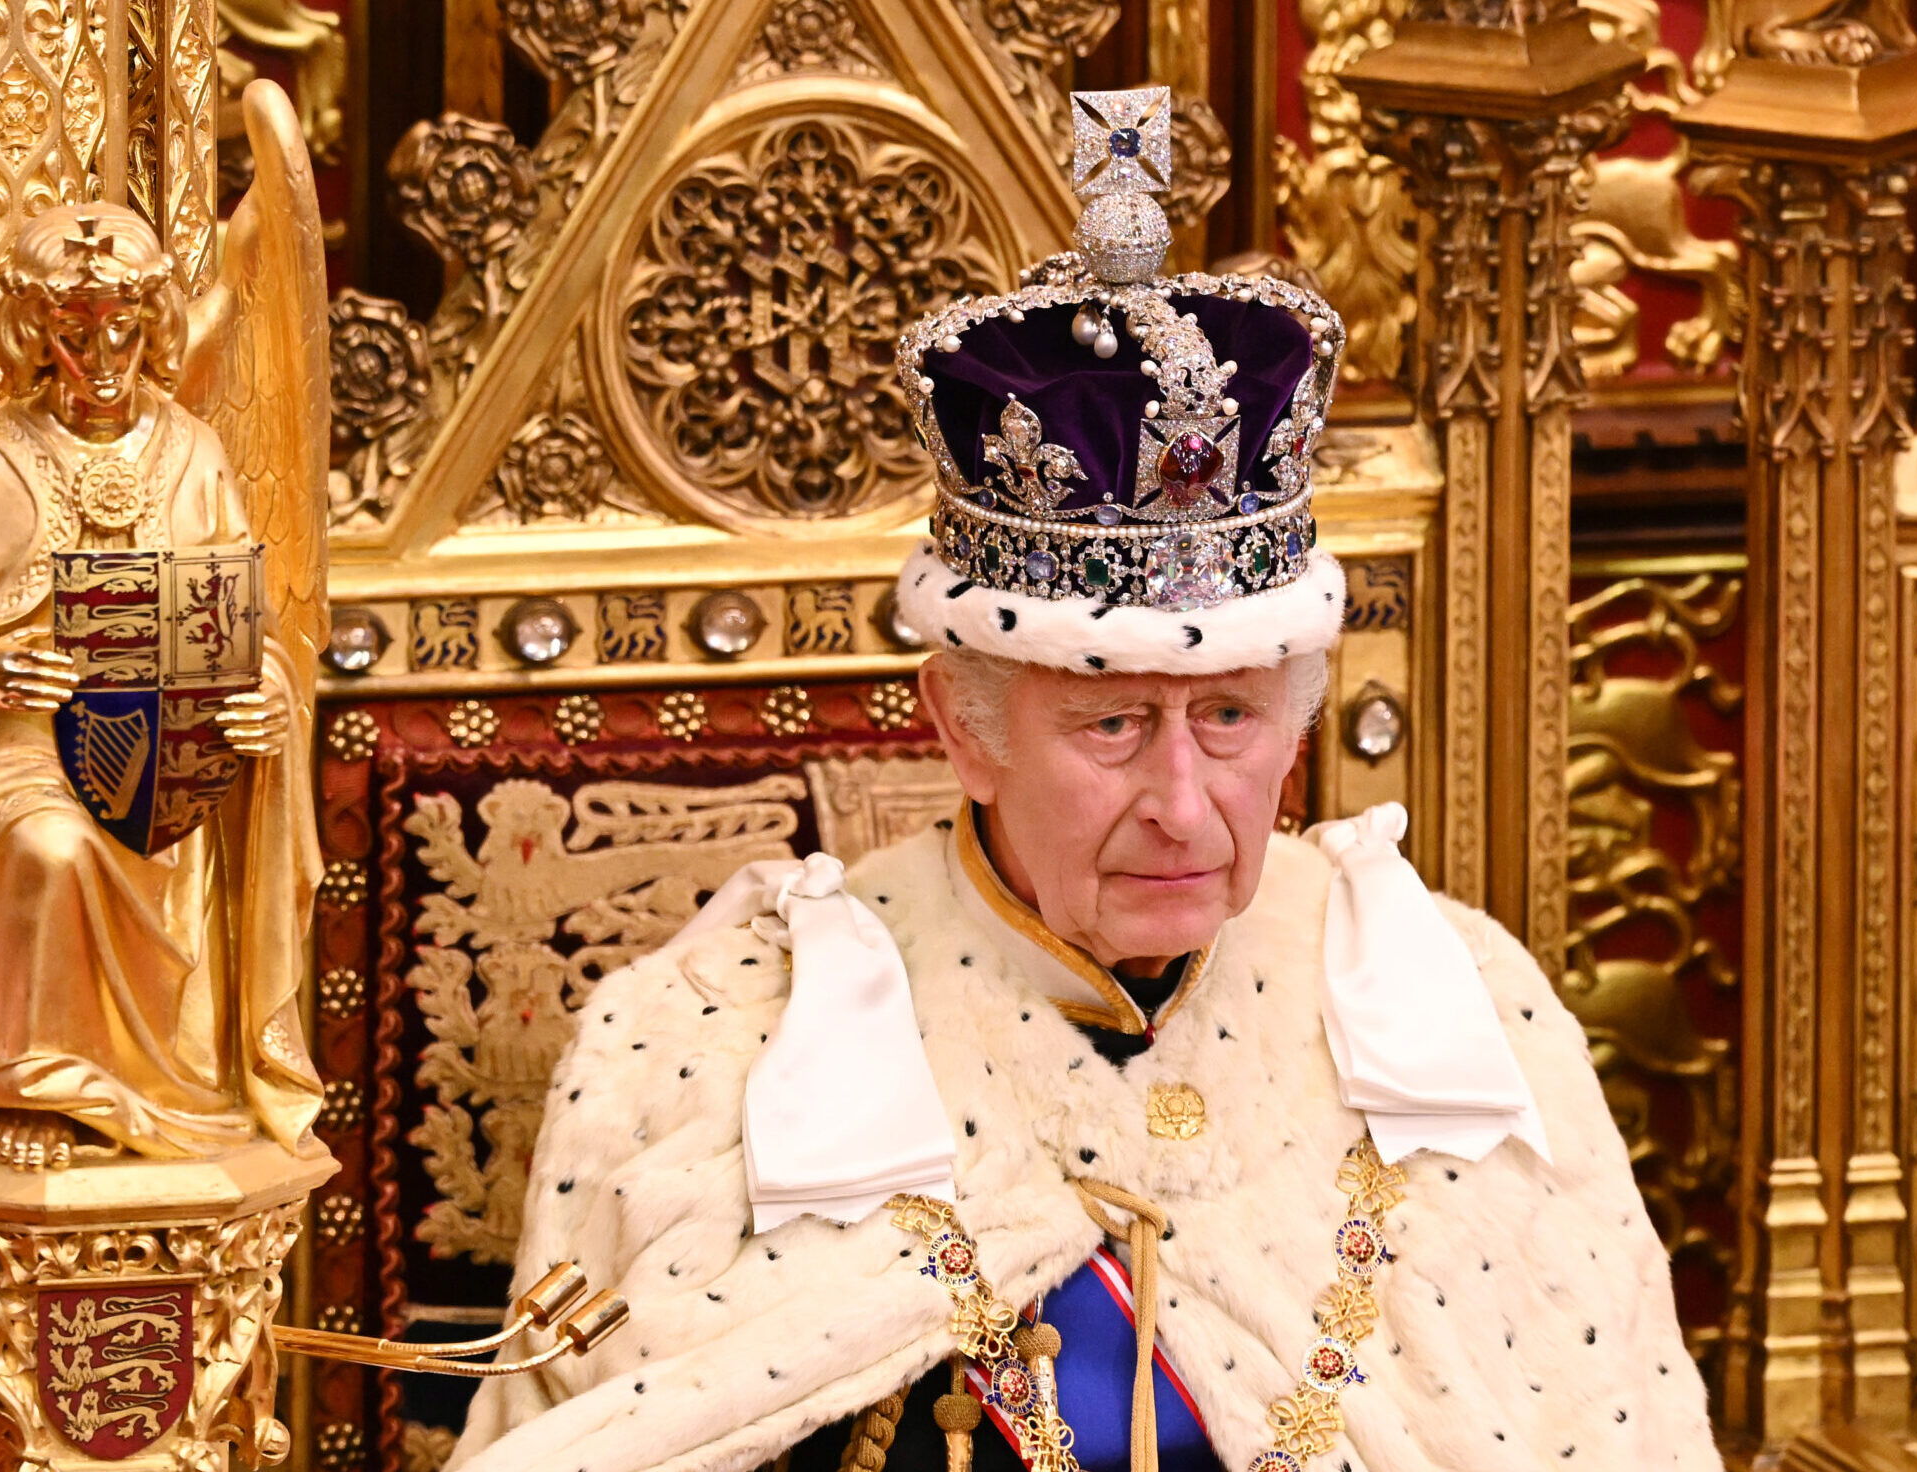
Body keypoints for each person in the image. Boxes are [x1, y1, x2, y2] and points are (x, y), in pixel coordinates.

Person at [445, 89, 1720, 1472]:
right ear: (964, 723)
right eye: (1111, 726)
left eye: (1230, 717)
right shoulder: (712, 1040)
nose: (1183, 800)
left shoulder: (1457, 1009)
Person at [0, 205, 322, 1177]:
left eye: (122, 329)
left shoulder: (195, 452)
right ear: (34, 333)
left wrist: (268, 696)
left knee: (163, 831)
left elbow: (247, 631)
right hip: (16, 752)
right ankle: (34, 1084)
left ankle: (175, 1086)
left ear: (154, 327)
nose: (100, 355)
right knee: (47, 842)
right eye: (74, 332)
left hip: (164, 750)